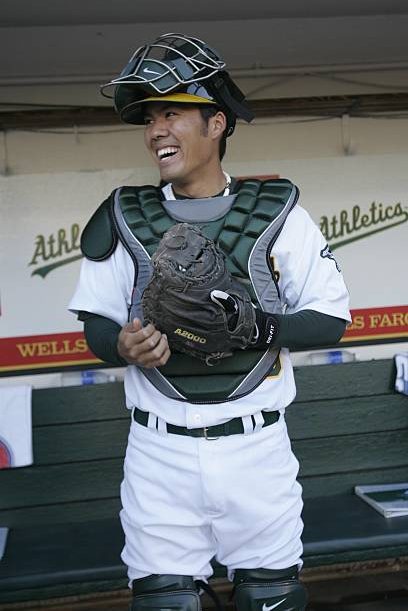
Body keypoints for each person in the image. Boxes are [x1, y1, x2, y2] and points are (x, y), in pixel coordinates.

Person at [69, 33, 351, 611]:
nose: (156, 130)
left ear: (216, 123)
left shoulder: (279, 215)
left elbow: (330, 321)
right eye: (150, 118)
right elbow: (97, 327)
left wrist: (256, 328)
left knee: (271, 599)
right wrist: (123, 344)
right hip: (159, 451)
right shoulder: (123, 217)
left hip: (256, 446)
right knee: (163, 603)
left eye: (172, 112)